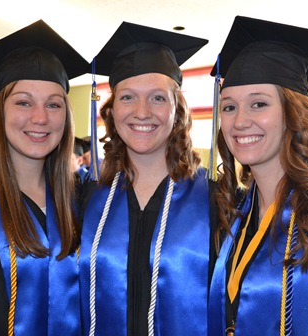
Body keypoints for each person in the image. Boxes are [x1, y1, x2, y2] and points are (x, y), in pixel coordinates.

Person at [79, 22, 215, 336]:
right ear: (111, 112)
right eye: (127, 98)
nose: (142, 112)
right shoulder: (84, 199)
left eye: (157, 98)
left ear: (177, 110)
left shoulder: (216, 201)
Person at [0, 20, 89, 335]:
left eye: (53, 104)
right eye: (24, 102)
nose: (40, 118)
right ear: (0, 111)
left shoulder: (83, 198)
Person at [208, 16, 308, 336]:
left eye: (258, 103)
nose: (240, 121)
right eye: (228, 107)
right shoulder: (231, 212)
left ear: (293, 114)